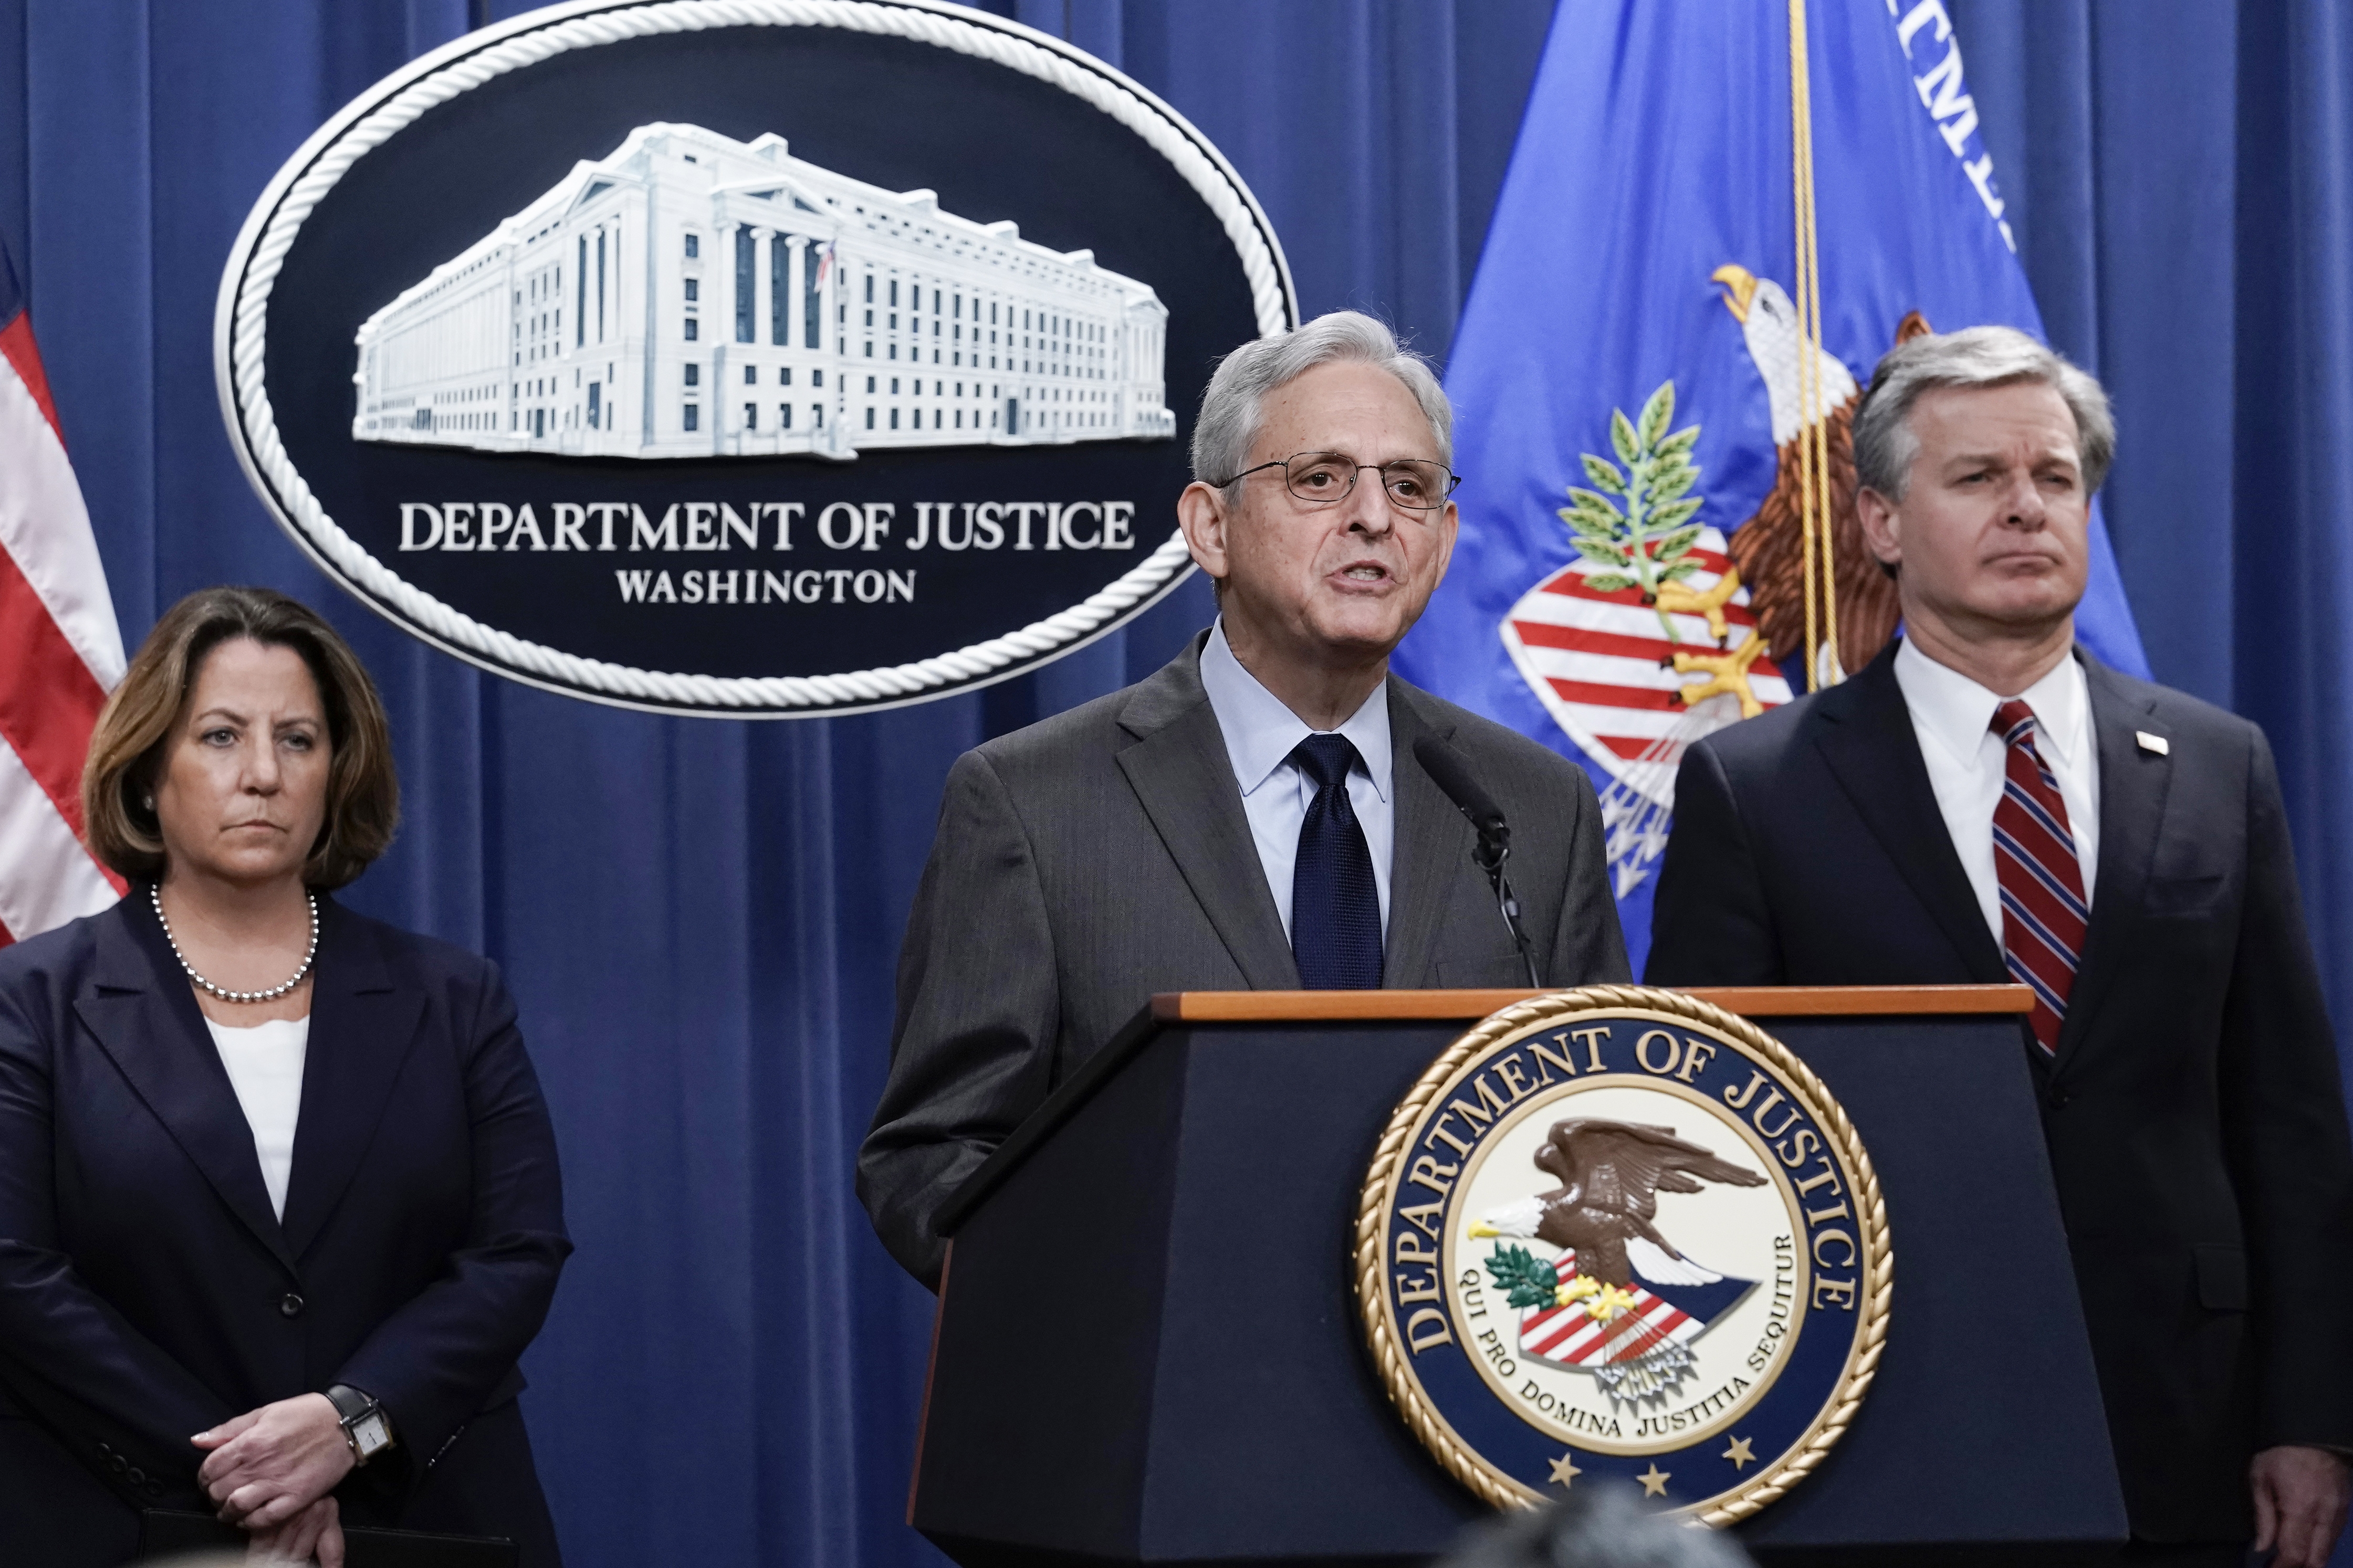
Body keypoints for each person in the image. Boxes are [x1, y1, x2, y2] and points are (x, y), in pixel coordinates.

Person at [1645, 327, 2353, 1566]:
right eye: (1977, 479)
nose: (2027, 507)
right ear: (1876, 523)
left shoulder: (2216, 763)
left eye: (2056, 478)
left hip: (2186, 1421)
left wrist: (2312, 1418)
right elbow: (1708, 1136)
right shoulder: (1755, 789)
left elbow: (2285, 1120)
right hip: (1877, 1422)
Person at [859, 311, 1629, 1287]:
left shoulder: (1533, 806)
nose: (1372, 518)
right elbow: (931, 1162)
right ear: (1209, 527)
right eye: (1319, 479)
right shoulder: (1032, 802)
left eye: (1410, 487)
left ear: (1443, 538)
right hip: (1159, 1404)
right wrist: (1136, 1302)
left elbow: (1593, 1118)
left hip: (1465, 1406)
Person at [0, 587, 571, 1567]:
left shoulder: (453, 997)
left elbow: (515, 1254)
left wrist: (349, 1426)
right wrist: (256, 1470)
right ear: (147, 773)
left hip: (421, 1515)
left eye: (297, 740)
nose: (262, 774)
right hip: (110, 1513)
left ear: (336, 774)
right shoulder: (34, 997)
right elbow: (14, 1271)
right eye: (220, 737)